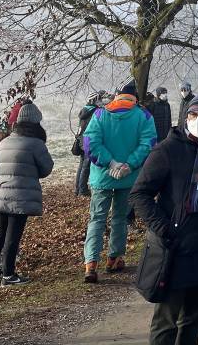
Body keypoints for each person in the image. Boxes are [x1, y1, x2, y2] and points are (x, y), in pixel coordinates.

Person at [129, 93, 198, 345]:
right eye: (193, 115)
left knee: (193, 318)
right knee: (166, 321)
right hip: (175, 249)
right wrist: (164, 228)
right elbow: (140, 194)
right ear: (186, 117)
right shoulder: (168, 149)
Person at [82, 80, 157, 283]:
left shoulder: (100, 114)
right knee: (120, 218)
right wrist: (129, 165)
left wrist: (110, 163)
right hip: (128, 177)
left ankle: (91, 263)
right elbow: (148, 144)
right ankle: (114, 259)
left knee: (97, 219)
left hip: (102, 177)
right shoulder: (143, 116)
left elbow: (90, 143)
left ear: (117, 96)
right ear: (135, 98)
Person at [0, 101, 54, 286]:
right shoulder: (36, 144)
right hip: (21, 197)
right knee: (13, 236)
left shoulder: (4, 141)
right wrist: (30, 172)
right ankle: (8, 275)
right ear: (36, 123)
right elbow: (47, 168)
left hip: (0, 191)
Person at [74, 92, 105, 197]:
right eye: (99, 99)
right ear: (94, 100)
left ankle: (77, 189)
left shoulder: (84, 110)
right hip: (88, 141)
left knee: (81, 166)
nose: (100, 101)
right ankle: (82, 190)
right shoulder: (95, 111)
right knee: (86, 167)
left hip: (81, 140)